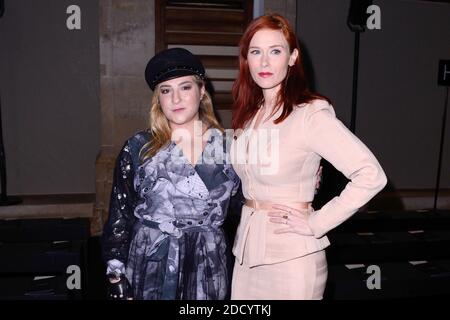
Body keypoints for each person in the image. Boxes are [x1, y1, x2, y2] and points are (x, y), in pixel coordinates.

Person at [229, 14, 387, 300]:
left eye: (275, 51)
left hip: (293, 257)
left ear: (292, 58)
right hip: (246, 255)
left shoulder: (310, 114)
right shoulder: (249, 116)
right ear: (246, 59)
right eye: (256, 52)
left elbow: (371, 175)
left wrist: (316, 222)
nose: (264, 62)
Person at [101, 48, 240, 300]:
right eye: (166, 90)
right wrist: (115, 272)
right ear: (159, 99)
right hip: (152, 261)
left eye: (185, 87)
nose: (175, 98)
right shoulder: (139, 148)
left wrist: (301, 180)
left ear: (202, 92)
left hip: (207, 264)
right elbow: (119, 215)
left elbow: (247, 205)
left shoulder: (230, 147)